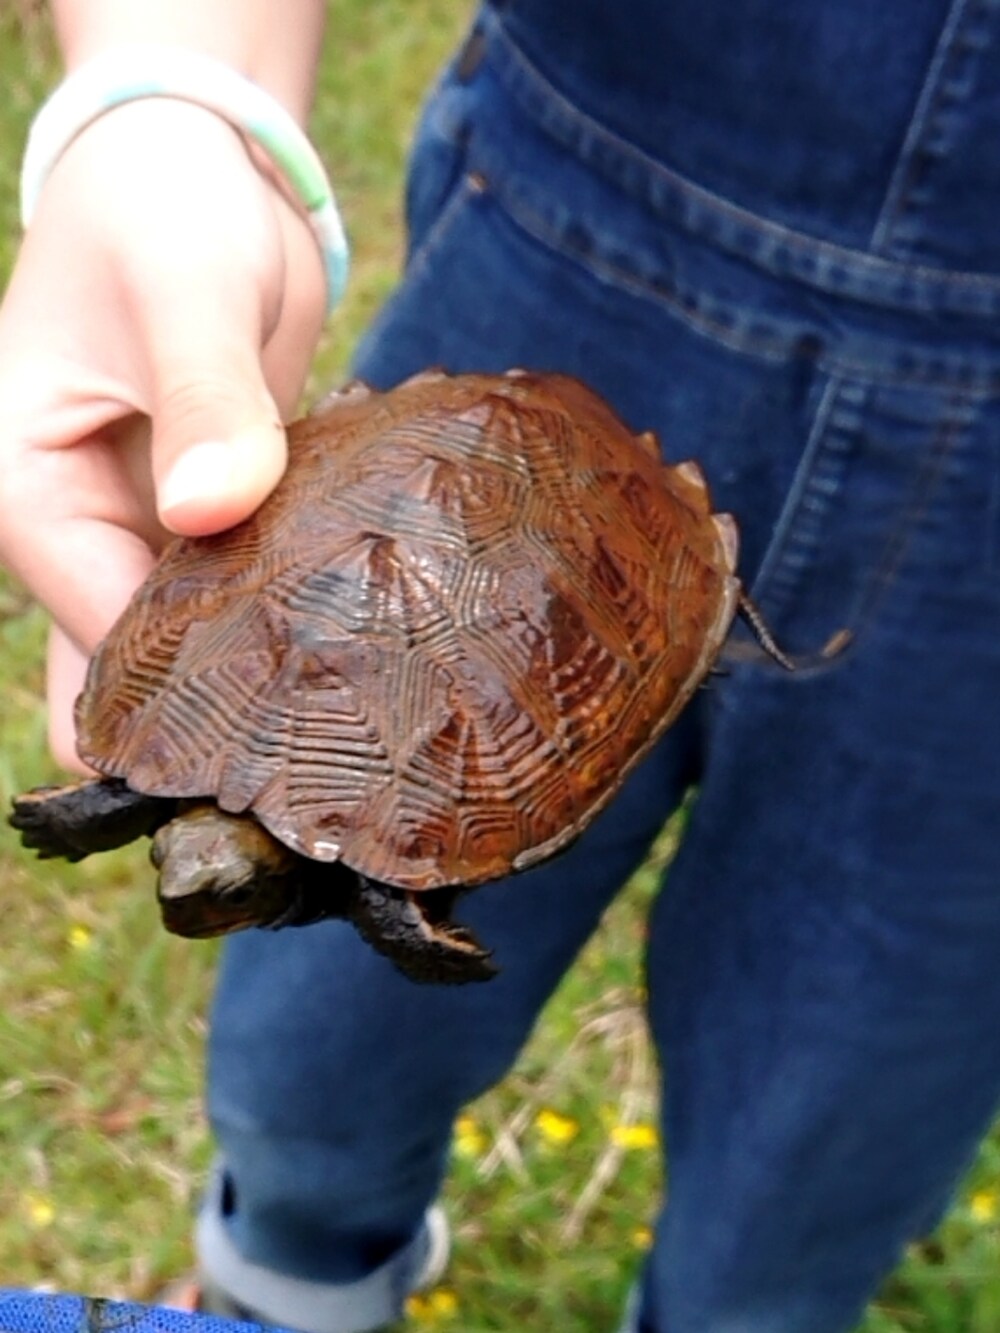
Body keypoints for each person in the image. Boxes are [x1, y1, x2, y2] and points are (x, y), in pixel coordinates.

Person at [2, 1, 999, 1330]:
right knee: (314, 1061)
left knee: (827, 1106)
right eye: (207, 871)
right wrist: (164, 92)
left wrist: (399, 914)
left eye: (213, 875)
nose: (193, 885)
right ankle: (285, 1284)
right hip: (574, 222)